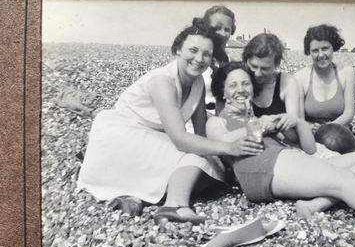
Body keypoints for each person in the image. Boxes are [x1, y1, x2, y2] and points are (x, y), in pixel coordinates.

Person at [206, 62, 355, 234]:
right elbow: (223, 142)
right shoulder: (216, 121)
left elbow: (310, 149)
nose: (241, 90)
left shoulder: (259, 118)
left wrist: (295, 123)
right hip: (260, 168)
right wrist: (261, 124)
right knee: (344, 181)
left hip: (285, 160)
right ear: (223, 93)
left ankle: (317, 204)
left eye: (246, 84)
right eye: (234, 85)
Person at [77, 19, 263, 225]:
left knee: (211, 164)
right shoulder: (162, 82)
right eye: (193, 50)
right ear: (178, 50)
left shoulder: (198, 82)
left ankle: (134, 195)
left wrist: (226, 159)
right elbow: (180, 139)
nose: (199, 59)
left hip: (151, 137)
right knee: (196, 160)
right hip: (122, 136)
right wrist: (230, 148)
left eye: (207, 54)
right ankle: (175, 204)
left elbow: (200, 133)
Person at [294, 24, 355, 151]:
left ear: (333, 48)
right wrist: (312, 129)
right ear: (309, 52)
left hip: (340, 135)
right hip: (312, 137)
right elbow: (299, 119)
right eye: (315, 50)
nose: (321, 55)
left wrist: (326, 128)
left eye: (325, 48)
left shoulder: (347, 73)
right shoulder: (300, 78)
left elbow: (349, 114)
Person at [242, 33, 301, 118]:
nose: (257, 73)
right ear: (246, 60)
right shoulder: (238, 79)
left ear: (276, 65)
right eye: (254, 66)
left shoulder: (286, 82)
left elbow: (293, 120)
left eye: (265, 69)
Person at [201, 5, 236, 110]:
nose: (223, 33)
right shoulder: (196, 58)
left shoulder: (228, 61)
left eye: (227, 29)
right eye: (217, 28)